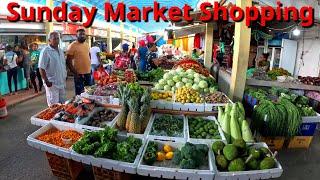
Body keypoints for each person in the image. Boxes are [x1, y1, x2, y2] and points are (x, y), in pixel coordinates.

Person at [39, 32, 67, 107]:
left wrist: (65, 75)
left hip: (61, 82)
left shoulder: (60, 51)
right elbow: (41, 68)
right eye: (54, 39)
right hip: (52, 83)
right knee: (54, 106)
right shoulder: (45, 51)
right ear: (49, 40)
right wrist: (46, 81)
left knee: (63, 104)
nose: (57, 40)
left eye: (58, 38)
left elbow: (62, 65)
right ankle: (53, 119)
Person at [66, 29, 91, 95]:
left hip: (88, 73)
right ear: (76, 36)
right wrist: (75, 73)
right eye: (80, 34)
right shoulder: (72, 46)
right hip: (78, 74)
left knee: (89, 92)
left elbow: (88, 55)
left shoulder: (87, 44)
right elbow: (68, 61)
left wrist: (90, 68)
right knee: (80, 93)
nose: (82, 36)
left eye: (83, 34)